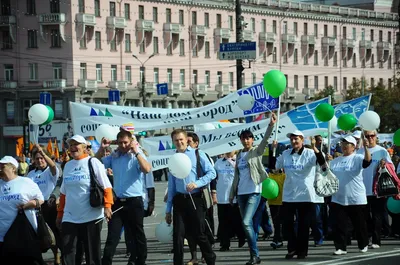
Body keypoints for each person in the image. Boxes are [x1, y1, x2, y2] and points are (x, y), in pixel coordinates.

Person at [56, 135, 113, 265]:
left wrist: (108, 206)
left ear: (84, 147)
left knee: (92, 254)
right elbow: (64, 193)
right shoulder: (68, 166)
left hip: (91, 216)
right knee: (68, 251)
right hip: (70, 217)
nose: (73, 147)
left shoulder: (93, 162)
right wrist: (60, 214)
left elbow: (107, 186)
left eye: (76, 144)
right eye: (70, 145)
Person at [98, 130, 152, 265]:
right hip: (117, 202)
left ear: (131, 142)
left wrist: (136, 151)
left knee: (137, 234)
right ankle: (106, 262)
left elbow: (147, 169)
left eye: (126, 142)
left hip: (134, 201)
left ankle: (140, 260)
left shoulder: (136, 156)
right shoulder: (114, 157)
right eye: (120, 142)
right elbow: (95, 163)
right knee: (113, 235)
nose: (123, 145)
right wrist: (102, 149)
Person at [230, 112, 277, 265]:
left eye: (248, 138)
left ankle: (255, 254)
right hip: (241, 194)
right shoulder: (238, 156)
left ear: (252, 139)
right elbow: (236, 176)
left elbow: (265, 140)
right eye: (243, 138)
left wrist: (271, 125)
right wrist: (232, 194)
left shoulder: (255, 151)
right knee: (247, 224)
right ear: (241, 140)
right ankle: (254, 256)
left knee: (245, 222)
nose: (246, 140)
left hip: (254, 192)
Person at [165, 129, 217, 265]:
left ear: (186, 139)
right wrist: (168, 209)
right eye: (176, 140)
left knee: (199, 233)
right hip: (179, 200)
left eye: (181, 139)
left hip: (195, 199)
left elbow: (212, 173)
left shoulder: (197, 154)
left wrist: (197, 183)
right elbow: (171, 187)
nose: (179, 142)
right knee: (178, 236)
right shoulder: (173, 159)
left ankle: (210, 257)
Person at [272, 131, 326, 260]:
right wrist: (272, 150)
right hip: (289, 195)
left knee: (303, 225)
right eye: (292, 139)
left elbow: (322, 164)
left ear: (302, 140)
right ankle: (292, 248)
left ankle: (302, 251)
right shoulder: (285, 154)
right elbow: (274, 167)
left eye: (296, 139)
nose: (294, 142)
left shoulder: (310, 153)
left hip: (306, 195)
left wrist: (315, 148)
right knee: (287, 224)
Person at [330, 135, 371, 255]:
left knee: (359, 225)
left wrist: (367, 148)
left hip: (356, 198)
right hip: (338, 198)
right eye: (342, 144)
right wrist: (327, 162)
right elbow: (327, 173)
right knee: (339, 225)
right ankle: (341, 247)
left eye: (347, 144)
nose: (344, 146)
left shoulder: (357, 158)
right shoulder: (335, 161)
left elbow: (367, 162)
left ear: (353, 147)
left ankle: (363, 244)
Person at [0, 156, 45, 264]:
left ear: (13, 168)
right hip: (3, 235)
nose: (0, 169)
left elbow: (40, 199)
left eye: (3, 166)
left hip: (25, 233)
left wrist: (29, 204)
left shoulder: (26, 182)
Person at [358, 130, 393, 248]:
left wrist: (385, 165)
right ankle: (367, 236)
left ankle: (376, 240)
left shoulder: (382, 151)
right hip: (362, 189)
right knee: (365, 216)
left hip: (377, 189)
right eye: (367, 136)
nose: (370, 138)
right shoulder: (359, 151)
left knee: (377, 215)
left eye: (372, 136)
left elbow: (391, 167)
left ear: (376, 137)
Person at [26, 144, 61, 265]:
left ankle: (58, 254)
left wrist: (43, 153)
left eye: (42, 158)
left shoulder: (51, 171)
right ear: (34, 160)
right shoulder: (30, 175)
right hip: (36, 208)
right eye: (37, 158)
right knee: (40, 235)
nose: (40, 160)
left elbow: (52, 165)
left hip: (50, 206)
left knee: (55, 234)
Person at [214, 151, 245, 252]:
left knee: (236, 220)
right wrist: (213, 193)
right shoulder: (218, 162)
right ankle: (224, 244)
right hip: (222, 197)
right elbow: (213, 179)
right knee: (223, 222)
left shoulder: (239, 161)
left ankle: (241, 237)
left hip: (235, 197)